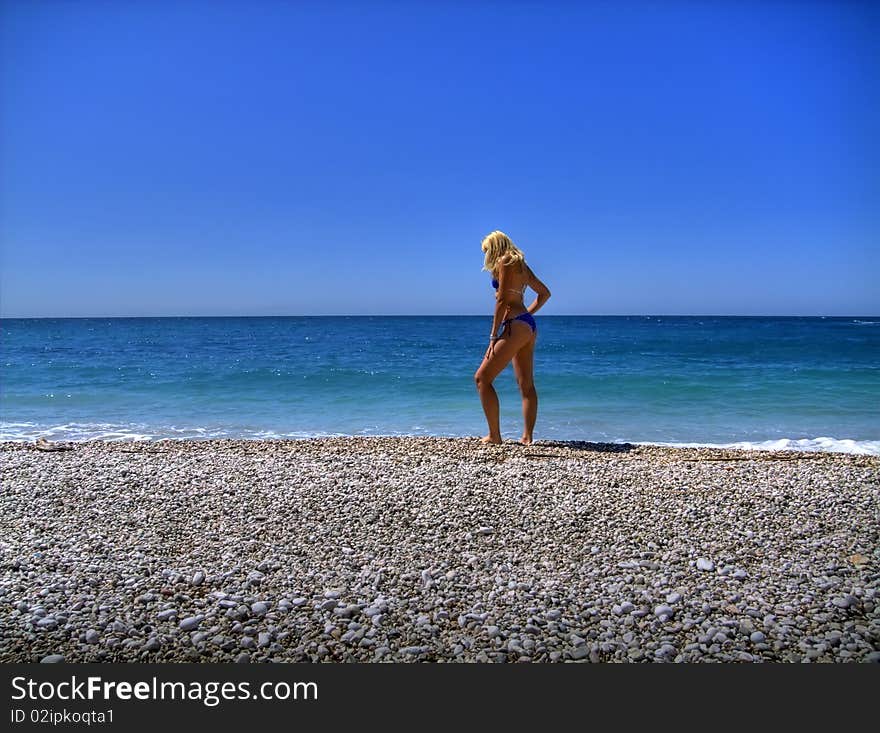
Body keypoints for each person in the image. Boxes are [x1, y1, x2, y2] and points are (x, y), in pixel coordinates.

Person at [474, 231, 551, 445]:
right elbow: (545, 293)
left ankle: (494, 436)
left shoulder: (505, 261)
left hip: (515, 326)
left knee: (482, 378)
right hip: (526, 324)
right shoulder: (521, 265)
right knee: (526, 384)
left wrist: (492, 336)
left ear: (496, 246)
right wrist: (526, 317)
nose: (486, 255)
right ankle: (527, 438)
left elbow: (501, 301)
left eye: (487, 250)